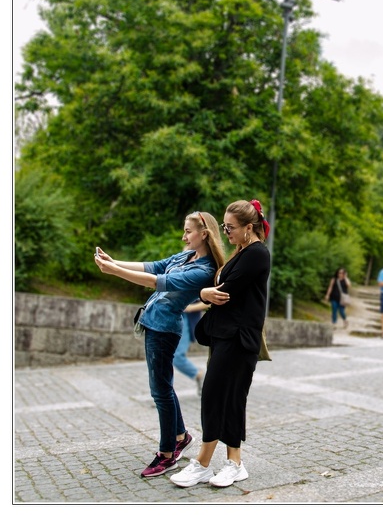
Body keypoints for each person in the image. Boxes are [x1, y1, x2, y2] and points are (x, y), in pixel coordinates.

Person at [94, 211, 225, 478]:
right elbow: (154, 266)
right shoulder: (187, 256)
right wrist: (113, 261)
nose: (184, 235)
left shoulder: (204, 269)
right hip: (155, 325)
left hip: (165, 331)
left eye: (188, 231)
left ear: (204, 234)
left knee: (160, 391)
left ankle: (167, 455)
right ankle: (180, 436)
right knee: (163, 387)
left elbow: (158, 282)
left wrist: (114, 271)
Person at [171, 199, 271, 489]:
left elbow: (223, 293)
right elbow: (217, 293)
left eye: (230, 227)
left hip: (240, 339)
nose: (225, 231)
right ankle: (234, 463)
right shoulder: (242, 252)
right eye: (224, 226)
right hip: (227, 337)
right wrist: (206, 292)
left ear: (248, 228)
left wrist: (203, 292)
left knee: (217, 395)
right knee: (228, 399)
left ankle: (203, 463)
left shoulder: (257, 254)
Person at [174, 300, 209, 395]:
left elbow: (209, 301)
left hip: (185, 319)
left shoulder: (200, 285)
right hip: (171, 316)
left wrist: (189, 308)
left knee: (177, 357)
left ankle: (200, 375)